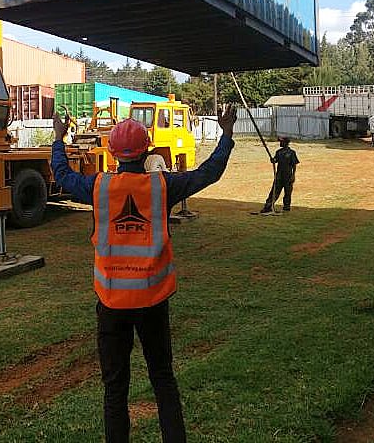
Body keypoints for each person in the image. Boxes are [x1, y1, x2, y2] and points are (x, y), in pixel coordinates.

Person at [51, 105, 237, 443]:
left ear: (112, 152)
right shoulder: (162, 187)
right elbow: (208, 172)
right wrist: (225, 134)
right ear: (148, 149)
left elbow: (61, 175)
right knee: (163, 380)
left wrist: (58, 139)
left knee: (115, 390)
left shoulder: (98, 187)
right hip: (152, 302)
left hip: (111, 303)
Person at [260, 136, 299, 213]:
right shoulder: (278, 152)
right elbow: (275, 160)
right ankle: (268, 206)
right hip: (279, 176)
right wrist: (273, 160)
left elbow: (294, 165)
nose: (280, 143)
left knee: (288, 192)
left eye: (282, 142)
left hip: (288, 176)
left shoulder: (291, 153)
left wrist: (293, 175)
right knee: (274, 191)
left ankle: (286, 207)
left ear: (286, 143)